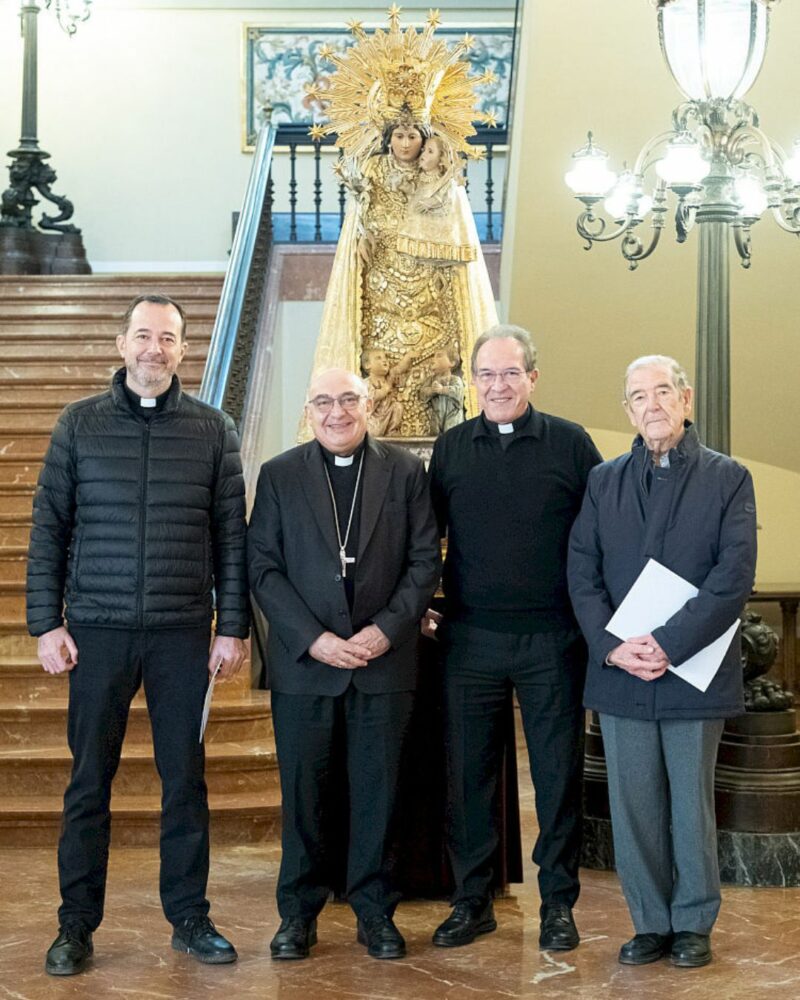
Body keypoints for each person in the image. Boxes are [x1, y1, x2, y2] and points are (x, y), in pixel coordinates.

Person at [26, 293, 249, 976]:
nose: (155, 349)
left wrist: (232, 627)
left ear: (184, 350)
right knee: (89, 783)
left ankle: (189, 917)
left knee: (186, 782)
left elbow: (230, 541)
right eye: (143, 335)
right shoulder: (77, 425)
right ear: (121, 344)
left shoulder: (213, 429)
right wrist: (45, 623)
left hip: (183, 632)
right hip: (97, 631)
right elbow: (49, 530)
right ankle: (75, 926)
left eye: (169, 338)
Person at [567, 355, 756, 969]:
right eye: (637, 396)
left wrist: (669, 643)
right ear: (627, 410)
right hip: (620, 670)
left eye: (662, 391)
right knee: (634, 802)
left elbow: (733, 578)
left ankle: (694, 923)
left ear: (686, 399)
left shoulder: (730, 479)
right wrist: (613, 645)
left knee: (688, 803)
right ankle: (649, 922)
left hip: (692, 670)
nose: (651, 404)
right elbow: (582, 571)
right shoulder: (604, 481)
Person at [248, 368, 441, 961]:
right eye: (324, 402)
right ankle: (298, 915)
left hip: (384, 663)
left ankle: (375, 912)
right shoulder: (280, 475)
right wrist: (315, 639)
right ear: (308, 411)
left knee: (378, 792)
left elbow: (422, 560)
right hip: (307, 666)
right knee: (304, 793)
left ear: (369, 405)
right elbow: (263, 567)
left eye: (349, 399)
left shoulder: (405, 471)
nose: (338, 412)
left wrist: (385, 631)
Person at [427, 325, 602, 951]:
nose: (497, 385)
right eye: (486, 375)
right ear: (472, 382)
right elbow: (424, 541)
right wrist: (420, 605)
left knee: (557, 776)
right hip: (470, 638)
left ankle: (558, 903)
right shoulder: (449, 449)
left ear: (533, 377)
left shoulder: (572, 444)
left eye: (510, 373)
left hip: (554, 638)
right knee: (468, 776)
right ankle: (472, 901)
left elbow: (602, 537)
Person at [305, 12, 499, 438]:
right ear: (386, 136)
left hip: (433, 291)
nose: (407, 144)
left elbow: (456, 241)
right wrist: (364, 239)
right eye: (398, 136)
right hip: (380, 292)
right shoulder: (372, 175)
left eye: (414, 136)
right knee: (381, 379)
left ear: (426, 137)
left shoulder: (444, 182)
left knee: (434, 389)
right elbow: (359, 226)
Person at [419, 346, 465, 436]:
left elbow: (458, 392)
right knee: (435, 435)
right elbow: (422, 394)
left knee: (451, 434)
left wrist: (442, 390)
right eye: (433, 356)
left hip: (452, 415)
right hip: (436, 416)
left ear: (452, 363)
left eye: (439, 356)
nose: (433, 360)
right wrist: (432, 390)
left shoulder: (455, 379)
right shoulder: (431, 380)